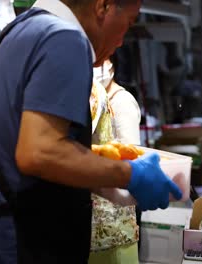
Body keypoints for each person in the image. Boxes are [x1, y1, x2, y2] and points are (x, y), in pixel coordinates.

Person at [0, 0, 182, 263]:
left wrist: (92, 164)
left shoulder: (12, 33)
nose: (120, 41)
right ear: (103, 6)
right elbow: (38, 153)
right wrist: (130, 175)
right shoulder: (65, 38)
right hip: (22, 246)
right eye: (128, 23)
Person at [88, 59, 141, 264]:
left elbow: (130, 156)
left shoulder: (120, 100)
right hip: (97, 219)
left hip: (112, 218)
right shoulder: (96, 94)